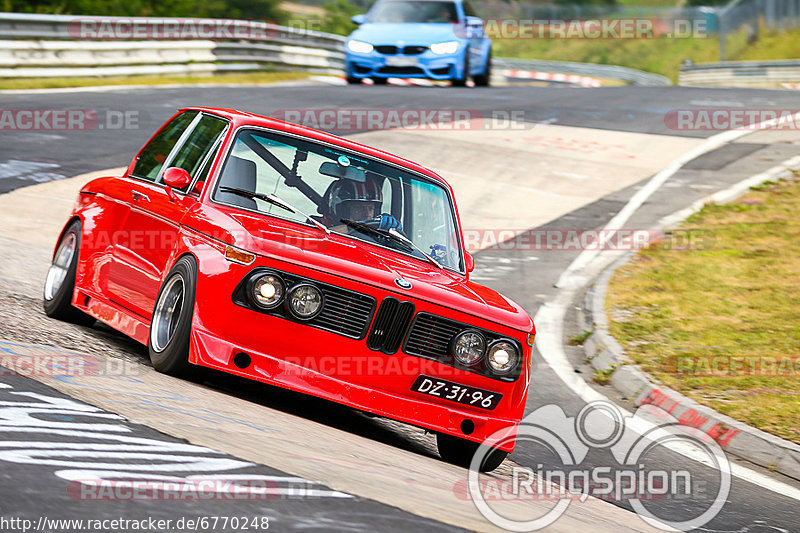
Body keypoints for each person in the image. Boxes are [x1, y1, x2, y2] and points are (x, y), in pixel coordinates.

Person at [325, 177, 402, 233]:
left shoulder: (373, 234)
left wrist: (391, 230)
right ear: (342, 210)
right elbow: (328, 233)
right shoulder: (324, 226)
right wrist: (356, 227)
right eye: (359, 208)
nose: (367, 214)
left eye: (371, 208)